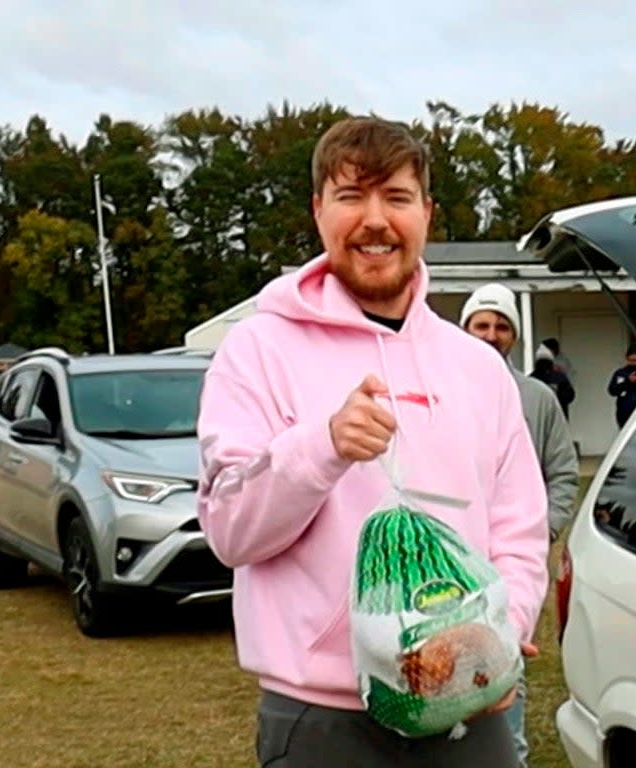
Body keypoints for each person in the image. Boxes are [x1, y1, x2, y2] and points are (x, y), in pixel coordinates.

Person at [196, 116, 549, 768]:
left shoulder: (476, 366)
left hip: (469, 703)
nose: (375, 220)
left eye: (397, 197)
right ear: (318, 210)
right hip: (323, 719)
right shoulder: (257, 350)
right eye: (352, 196)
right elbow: (229, 531)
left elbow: (520, 530)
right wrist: (321, 448)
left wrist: (502, 638)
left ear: (426, 212)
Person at [460, 283, 579, 768]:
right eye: (481, 325)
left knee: (504, 668)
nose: (491, 335)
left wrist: (540, 532)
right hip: (451, 565)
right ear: (465, 328)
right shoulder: (439, 389)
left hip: (508, 568)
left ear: (514, 335)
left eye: (501, 326)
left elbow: (564, 473)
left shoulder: (537, 398)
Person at [530, 343, 575, 420]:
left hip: (538, 417)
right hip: (558, 417)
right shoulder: (559, 377)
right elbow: (570, 395)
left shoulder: (531, 378)